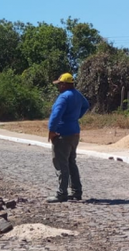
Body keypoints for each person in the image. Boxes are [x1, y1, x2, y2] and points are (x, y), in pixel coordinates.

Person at [47, 73, 90, 203]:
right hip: (74, 133)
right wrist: (75, 118)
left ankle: (61, 194)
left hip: (62, 134)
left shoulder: (63, 97)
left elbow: (56, 115)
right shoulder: (77, 95)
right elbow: (86, 105)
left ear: (65, 84)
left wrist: (52, 131)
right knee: (71, 163)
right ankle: (77, 192)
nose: (58, 87)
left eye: (60, 84)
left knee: (61, 164)